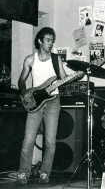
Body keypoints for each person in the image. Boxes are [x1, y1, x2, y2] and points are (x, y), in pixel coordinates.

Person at [17, 27, 80, 184]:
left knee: (50, 141)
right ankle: (23, 173)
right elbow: (21, 79)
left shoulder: (55, 59)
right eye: (48, 40)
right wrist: (24, 91)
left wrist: (77, 75)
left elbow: (64, 78)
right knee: (28, 139)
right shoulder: (30, 59)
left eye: (52, 41)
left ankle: (45, 173)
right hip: (34, 101)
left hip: (53, 102)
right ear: (40, 41)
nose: (51, 43)